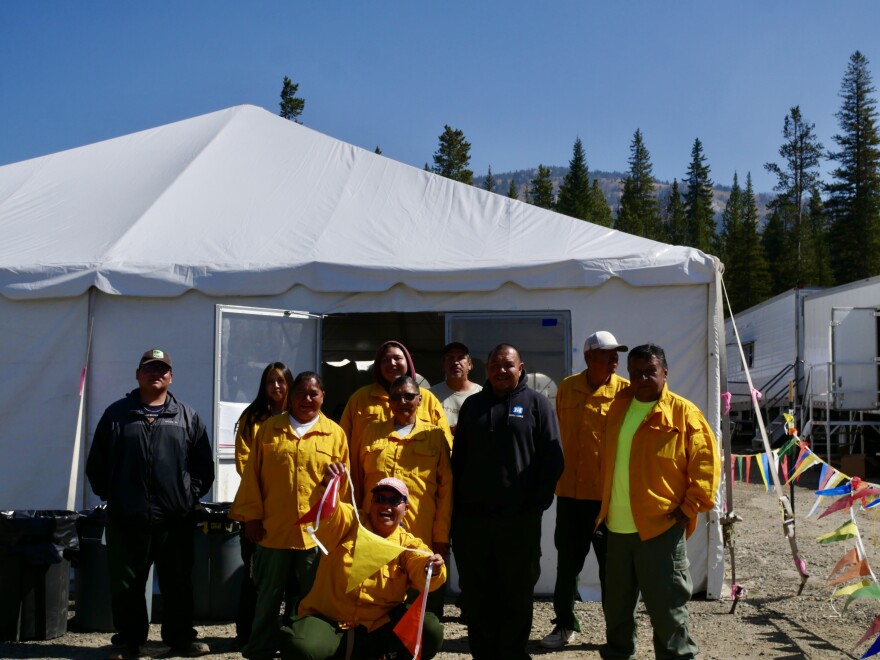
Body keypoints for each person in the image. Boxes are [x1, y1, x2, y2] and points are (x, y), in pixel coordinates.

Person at [85, 348, 214, 660]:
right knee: (127, 586)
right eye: (149, 369)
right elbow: (97, 464)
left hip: (176, 520)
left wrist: (186, 495)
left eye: (162, 369)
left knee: (178, 584)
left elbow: (202, 467)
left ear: (171, 377)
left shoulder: (187, 416)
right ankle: (129, 642)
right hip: (128, 520)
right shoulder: (116, 415)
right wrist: (114, 496)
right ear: (137, 374)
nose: (156, 374)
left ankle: (180, 640)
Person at [596, 344, 720, 660]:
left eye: (650, 371)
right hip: (617, 530)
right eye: (635, 372)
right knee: (617, 611)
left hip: (660, 531)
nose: (642, 378)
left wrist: (688, 509)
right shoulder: (617, 409)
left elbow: (706, 467)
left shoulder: (684, 413)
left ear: (665, 373)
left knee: (667, 611)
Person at [451, 343, 564, 660]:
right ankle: (484, 654)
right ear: (486, 368)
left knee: (516, 594)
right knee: (478, 595)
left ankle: (513, 654)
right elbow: (457, 462)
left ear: (520, 367)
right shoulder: (473, 406)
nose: (501, 370)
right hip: (472, 524)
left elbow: (553, 459)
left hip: (518, 522)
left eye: (508, 365)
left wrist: (535, 505)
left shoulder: (537, 404)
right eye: (495, 365)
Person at [230, 372, 350, 660]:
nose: (306, 399)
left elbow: (342, 489)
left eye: (313, 393)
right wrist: (252, 518)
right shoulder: (269, 429)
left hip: (314, 536)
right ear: (290, 395)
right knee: (267, 595)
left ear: (323, 396)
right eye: (300, 393)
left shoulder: (335, 433)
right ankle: (260, 648)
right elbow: (252, 479)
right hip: (273, 530)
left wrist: (333, 481)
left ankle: (304, 647)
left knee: (310, 597)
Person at [282, 470, 446, 660]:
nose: (386, 505)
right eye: (380, 498)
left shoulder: (409, 544)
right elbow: (330, 512)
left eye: (394, 501)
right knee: (299, 645)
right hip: (330, 623)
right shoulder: (350, 522)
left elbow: (423, 569)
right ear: (371, 503)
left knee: (429, 629)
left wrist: (432, 568)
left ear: (406, 509)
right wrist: (328, 485)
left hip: (377, 628)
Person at [542, 331, 630, 650]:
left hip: (610, 498)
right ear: (590, 357)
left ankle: (617, 632)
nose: (615, 358)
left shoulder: (626, 391)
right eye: (608, 353)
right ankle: (565, 625)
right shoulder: (567, 388)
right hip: (569, 496)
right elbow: (555, 437)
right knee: (568, 565)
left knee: (613, 569)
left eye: (616, 353)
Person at [355, 375, 452, 615]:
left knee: (419, 608)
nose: (402, 401)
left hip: (420, 531)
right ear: (388, 401)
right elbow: (356, 481)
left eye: (409, 396)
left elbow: (446, 490)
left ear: (420, 400)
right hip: (376, 533)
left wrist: (441, 536)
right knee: (377, 597)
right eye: (396, 396)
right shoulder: (371, 433)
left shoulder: (435, 436)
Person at [232, 362, 294, 645]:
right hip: (257, 510)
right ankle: (248, 634)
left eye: (281, 381)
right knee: (255, 576)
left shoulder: (301, 417)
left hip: (291, 514)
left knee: (292, 579)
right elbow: (244, 464)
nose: (276, 387)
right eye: (271, 382)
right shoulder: (252, 418)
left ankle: (288, 633)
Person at [340, 340, 452, 453]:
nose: (392, 363)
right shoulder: (360, 398)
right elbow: (342, 441)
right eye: (385, 360)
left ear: (408, 362)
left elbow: (445, 444)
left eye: (397, 358)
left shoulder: (428, 399)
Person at [429, 341, 482, 436]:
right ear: (443, 365)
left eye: (461, 357)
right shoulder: (430, 395)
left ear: (469, 364)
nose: (455, 362)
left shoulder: (482, 394)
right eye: (450, 358)